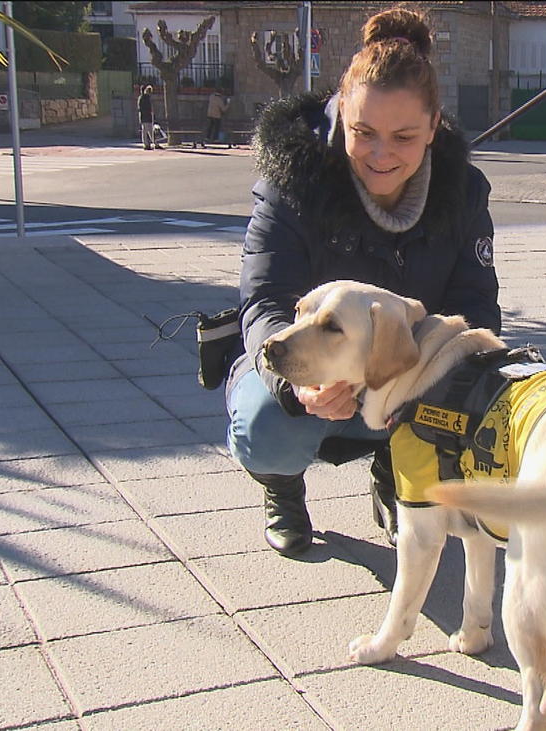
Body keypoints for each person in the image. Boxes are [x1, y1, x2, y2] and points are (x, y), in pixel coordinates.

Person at [224, 7, 501, 559]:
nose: (381, 154)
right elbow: (264, 302)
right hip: (315, 368)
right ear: (340, 114)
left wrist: (415, 380)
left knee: (473, 405)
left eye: (403, 137)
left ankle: (393, 468)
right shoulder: (292, 182)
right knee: (265, 426)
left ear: (433, 127)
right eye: (363, 132)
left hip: (403, 374)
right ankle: (282, 488)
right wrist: (297, 388)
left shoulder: (464, 193)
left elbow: (477, 313)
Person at [137, 84, 158, 150]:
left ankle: (150, 143)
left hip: (147, 117)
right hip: (145, 117)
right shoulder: (143, 98)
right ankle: (147, 144)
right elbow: (140, 108)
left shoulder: (146, 98)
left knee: (148, 131)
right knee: (146, 131)